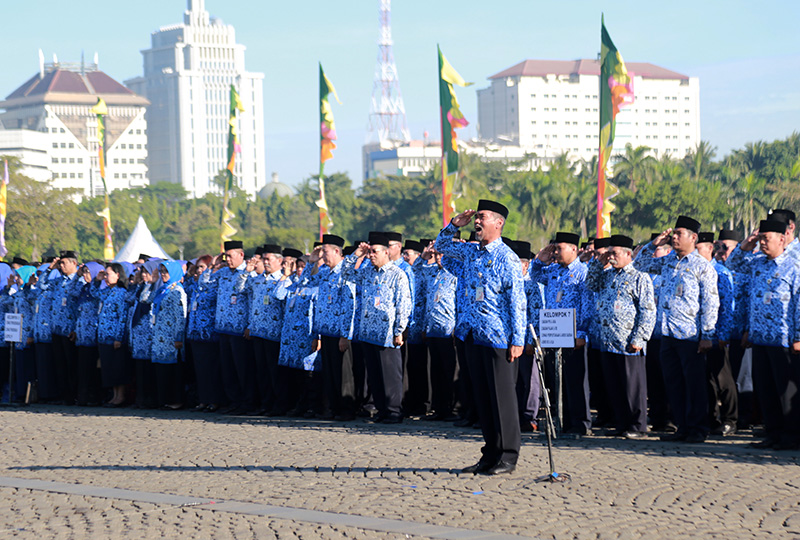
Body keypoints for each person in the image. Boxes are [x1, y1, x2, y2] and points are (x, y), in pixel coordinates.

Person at [436, 200, 526, 475]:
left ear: (498, 223)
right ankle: (490, 454)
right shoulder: (470, 253)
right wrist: (453, 226)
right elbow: (441, 247)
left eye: (482, 217)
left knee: (502, 399)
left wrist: (518, 339)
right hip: (471, 335)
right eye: (476, 217)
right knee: (483, 399)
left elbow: (516, 301)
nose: (477, 221)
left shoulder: (507, 258)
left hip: (498, 337)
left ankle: (508, 456)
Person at [634, 216, 719, 443]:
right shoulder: (668, 261)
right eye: (674, 233)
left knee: (694, 384)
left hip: (690, 335)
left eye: (679, 233)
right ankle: (682, 427)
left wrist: (707, 335)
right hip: (667, 333)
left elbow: (711, 302)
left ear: (693, 238)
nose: (674, 237)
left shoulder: (703, 267)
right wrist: (654, 245)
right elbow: (639, 264)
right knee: (673, 384)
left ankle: (698, 428)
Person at [728, 218, 800, 449]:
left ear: (782, 239)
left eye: (765, 239)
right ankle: (772, 433)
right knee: (765, 389)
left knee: (785, 392)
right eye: (760, 239)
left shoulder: (794, 267)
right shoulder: (758, 263)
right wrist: (745, 246)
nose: (762, 244)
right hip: (759, 337)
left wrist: (798, 336)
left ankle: (791, 436)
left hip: (784, 339)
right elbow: (732, 265)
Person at [586, 235, 656, 439]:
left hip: (628, 341)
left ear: (628, 254)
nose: (611, 257)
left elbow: (648, 311)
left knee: (632, 387)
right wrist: (599, 263)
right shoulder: (607, 275)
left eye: (614, 253)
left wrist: (639, 338)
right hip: (607, 340)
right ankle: (622, 423)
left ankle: (638, 425)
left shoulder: (639, 277)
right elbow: (590, 285)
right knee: (615, 386)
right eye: (609, 253)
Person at [345, 233, 412, 424]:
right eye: (370, 252)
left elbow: (403, 303)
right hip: (368, 331)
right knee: (374, 374)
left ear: (386, 252)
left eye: (374, 252)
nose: (371, 255)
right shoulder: (367, 272)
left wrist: (399, 330)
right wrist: (357, 255)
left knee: (390, 374)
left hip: (387, 333)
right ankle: (382, 410)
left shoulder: (397, 274)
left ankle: (393, 411)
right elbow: (346, 274)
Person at [530, 231, 591, 436]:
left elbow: (587, 305)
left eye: (559, 248)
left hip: (573, 335)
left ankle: (580, 423)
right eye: (554, 248)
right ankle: (561, 421)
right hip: (554, 332)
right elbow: (534, 274)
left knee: (575, 381)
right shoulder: (553, 270)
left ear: (574, 249)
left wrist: (581, 332)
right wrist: (541, 259)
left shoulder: (583, 272)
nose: (555, 252)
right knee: (557, 380)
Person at [308, 235, 358, 421]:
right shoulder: (325, 272)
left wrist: (345, 335)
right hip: (325, 330)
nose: (323, 255)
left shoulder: (346, 273)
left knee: (343, 374)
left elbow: (349, 305)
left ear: (337, 251)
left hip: (340, 332)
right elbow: (309, 282)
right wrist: (312, 262)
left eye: (325, 252)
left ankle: (346, 409)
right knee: (330, 373)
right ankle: (334, 407)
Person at [696, 232, 738, 436]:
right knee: (705, 380)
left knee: (723, 379)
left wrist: (722, 334)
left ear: (710, 249)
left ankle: (730, 419)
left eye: (699, 249)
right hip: (698, 336)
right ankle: (711, 418)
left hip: (716, 334)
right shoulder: (693, 270)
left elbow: (727, 307)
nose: (695, 253)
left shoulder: (721, 272)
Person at [245, 244, 291, 415]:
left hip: (275, 333)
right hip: (258, 331)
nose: (265, 262)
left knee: (275, 372)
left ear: (279, 261)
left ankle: (280, 404)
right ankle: (265, 403)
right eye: (263, 259)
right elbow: (242, 291)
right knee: (262, 371)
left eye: (268, 259)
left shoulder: (285, 280)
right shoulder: (257, 280)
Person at [211, 240, 255, 415]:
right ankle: (233, 401)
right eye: (225, 256)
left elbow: (253, 301)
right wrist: (213, 266)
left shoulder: (249, 273)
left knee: (243, 368)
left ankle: (248, 402)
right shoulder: (222, 273)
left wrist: (250, 325)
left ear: (241, 255)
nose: (227, 259)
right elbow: (205, 286)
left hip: (240, 329)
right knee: (228, 368)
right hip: (223, 327)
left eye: (230, 256)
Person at [418, 240, 459, 421]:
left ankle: (452, 409)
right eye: (437, 255)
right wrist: (425, 256)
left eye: (443, 254)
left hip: (449, 330)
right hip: (433, 329)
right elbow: (416, 271)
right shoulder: (433, 272)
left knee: (450, 372)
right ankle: (439, 408)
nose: (439, 258)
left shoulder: (457, 274)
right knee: (435, 372)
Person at [187, 254, 222, 413]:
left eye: (202, 267)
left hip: (209, 333)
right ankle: (203, 399)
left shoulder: (213, 283)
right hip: (195, 333)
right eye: (198, 267)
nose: (198, 270)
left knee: (211, 369)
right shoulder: (196, 286)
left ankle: (214, 400)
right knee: (200, 369)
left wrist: (211, 269)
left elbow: (210, 293)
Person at [92, 263, 130, 407]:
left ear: (118, 275)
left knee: (117, 368)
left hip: (114, 337)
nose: (106, 277)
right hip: (103, 336)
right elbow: (94, 294)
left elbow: (122, 317)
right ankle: (114, 395)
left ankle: (120, 396)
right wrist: (97, 280)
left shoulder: (121, 293)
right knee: (108, 368)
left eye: (108, 274)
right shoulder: (107, 291)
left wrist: (119, 337)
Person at [151, 261, 188, 409]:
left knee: (174, 370)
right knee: (162, 370)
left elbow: (181, 316)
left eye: (166, 271)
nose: (163, 274)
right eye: (162, 271)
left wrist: (179, 337)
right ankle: (164, 399)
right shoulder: (163, 290)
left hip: (172, 338)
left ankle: (176, 400)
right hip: (161, 336)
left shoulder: (178, 291)